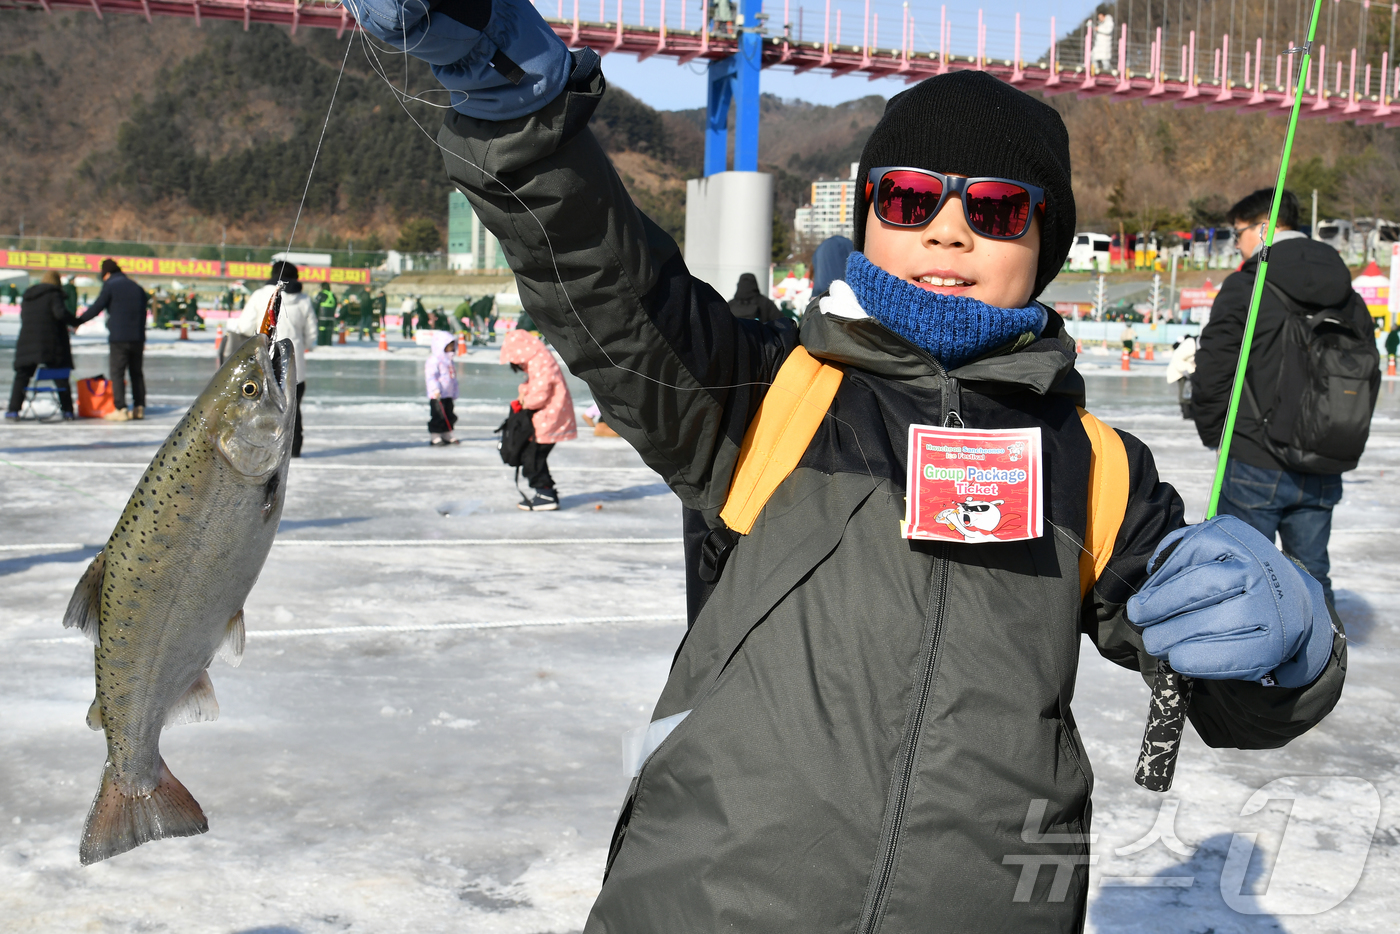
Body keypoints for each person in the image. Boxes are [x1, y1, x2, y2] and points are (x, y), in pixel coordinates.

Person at [351, 4, 1346, 928]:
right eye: (910, 197)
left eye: (995, 210)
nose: (946, 228)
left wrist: (1288, 647)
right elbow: (610, 286)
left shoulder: (1096, 470)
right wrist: (516, 103)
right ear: (867, 215)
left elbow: (1219, 693)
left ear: (1041, 242)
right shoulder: (762, 394)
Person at [1191, 188, 1371, 609]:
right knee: (1311, 575)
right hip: (1325, 456)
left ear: (1263, 229)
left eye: (1238, 234)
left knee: (1241, 573)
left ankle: (1245, 672)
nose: (1237, 244)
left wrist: (1215, 430)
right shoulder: (1349, 294)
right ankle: (1318, 668)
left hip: (1255, 453)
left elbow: (1214, 366)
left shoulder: (1248, 286)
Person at [231, 261, 318, 456]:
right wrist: (302, 346)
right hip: (294, 367)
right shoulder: (303, 300)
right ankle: (294, 450)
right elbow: (312, 335)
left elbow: (244, 326)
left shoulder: (260, 295)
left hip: (262, 365)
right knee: (291, 411)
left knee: (258, 409)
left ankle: (259, 451)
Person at [499, 328, 576, 510]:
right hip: (547, 417)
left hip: (549, 417)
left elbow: (541, 393)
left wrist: (525, 401)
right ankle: (545, 492)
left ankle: (546, 494)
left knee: (532, 456)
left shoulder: (540, 360)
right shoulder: (537, 359)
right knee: (533, 455)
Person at [75, 258, 148, 421]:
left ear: (106, 273)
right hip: (137, 337)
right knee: (136, 373)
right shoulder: (136, 287)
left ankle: (120, 408)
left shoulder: (110, 285)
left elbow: (97, 307)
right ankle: (139, 407)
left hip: (119, 338)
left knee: (117, 372)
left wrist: (78, 321)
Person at [6, 271, 81, 421]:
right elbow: (59, 314)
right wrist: (75, 321)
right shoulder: (54, 294)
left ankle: (13, 410)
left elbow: (24, 316)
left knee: (22, 376)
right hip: (50, 343)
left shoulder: (28, 296)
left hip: (26, 342)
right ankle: (67, 410)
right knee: (60, 376)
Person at [425, 330, 461, 446]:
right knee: (438, 414)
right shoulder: (434, 360)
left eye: (452, 346)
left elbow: (453, 377)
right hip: (437, 395)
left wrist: (455, 390)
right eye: (449, 346)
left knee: (449, 414)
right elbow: (431, 376)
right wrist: (435, 389)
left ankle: (446, 433)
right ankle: (435, 435)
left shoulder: (450, 361)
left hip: (448, 393)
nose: (451, 349)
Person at [1165, 332, 1197, 418]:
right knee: (1185, 393)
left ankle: (1188, 413)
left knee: (1187, 393)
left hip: (1186, 370)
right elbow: (1177, 357)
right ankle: (1187, 414)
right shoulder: (1191, 344)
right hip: (1180, 372)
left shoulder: (1192, 343)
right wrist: (1185, 370)